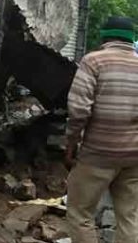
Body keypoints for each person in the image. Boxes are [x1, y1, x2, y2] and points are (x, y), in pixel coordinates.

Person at [66, 16, 138, 243]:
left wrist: (71, 144)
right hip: (134, 156)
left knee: (81, 215)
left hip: (97, 154)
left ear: (105, 36)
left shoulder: (94, 61)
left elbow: (78, 110)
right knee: (129, 217)